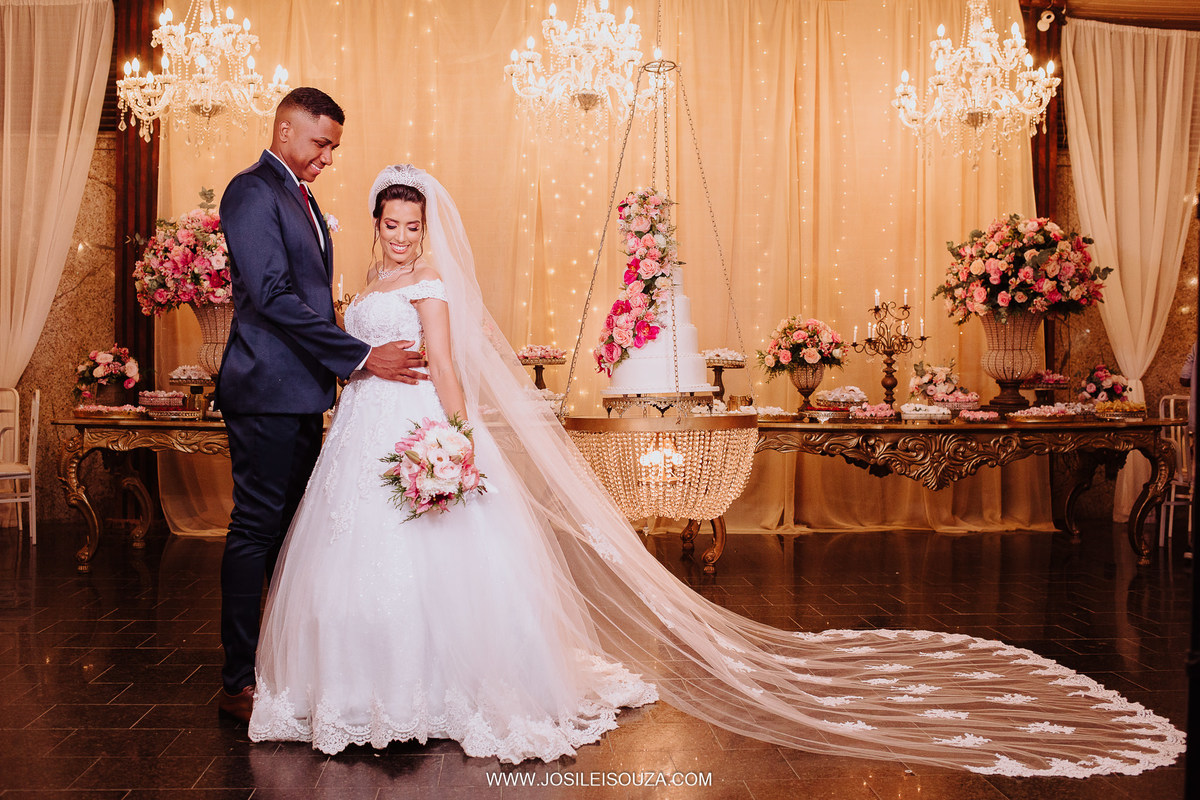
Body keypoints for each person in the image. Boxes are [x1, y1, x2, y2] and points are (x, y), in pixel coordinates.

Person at [249, 165, 1183, 775]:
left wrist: (457, 436)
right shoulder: (364, 283)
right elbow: (350, 351)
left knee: (437, 559)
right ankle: (363, 691)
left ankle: (442, 690)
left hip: (423, 427)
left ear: (426, 229)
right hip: (363, 427)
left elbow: (450, 366)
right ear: (376, 224)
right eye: (391, 223)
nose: (401, 235)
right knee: (358, 560)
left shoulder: (429, 284)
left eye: (412, 224)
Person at [215, 89, 426, 723]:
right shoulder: (252, 191)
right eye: (321, 143)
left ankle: (284, 666)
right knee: (257, 529)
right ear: (285, 131)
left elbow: (307, 299)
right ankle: (238, 680)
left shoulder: (299, 196)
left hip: (301, 391)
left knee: (294, 535)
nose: (329, 157)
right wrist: (360, 355)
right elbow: (272, 295)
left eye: (334, 146)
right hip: (266, 391)